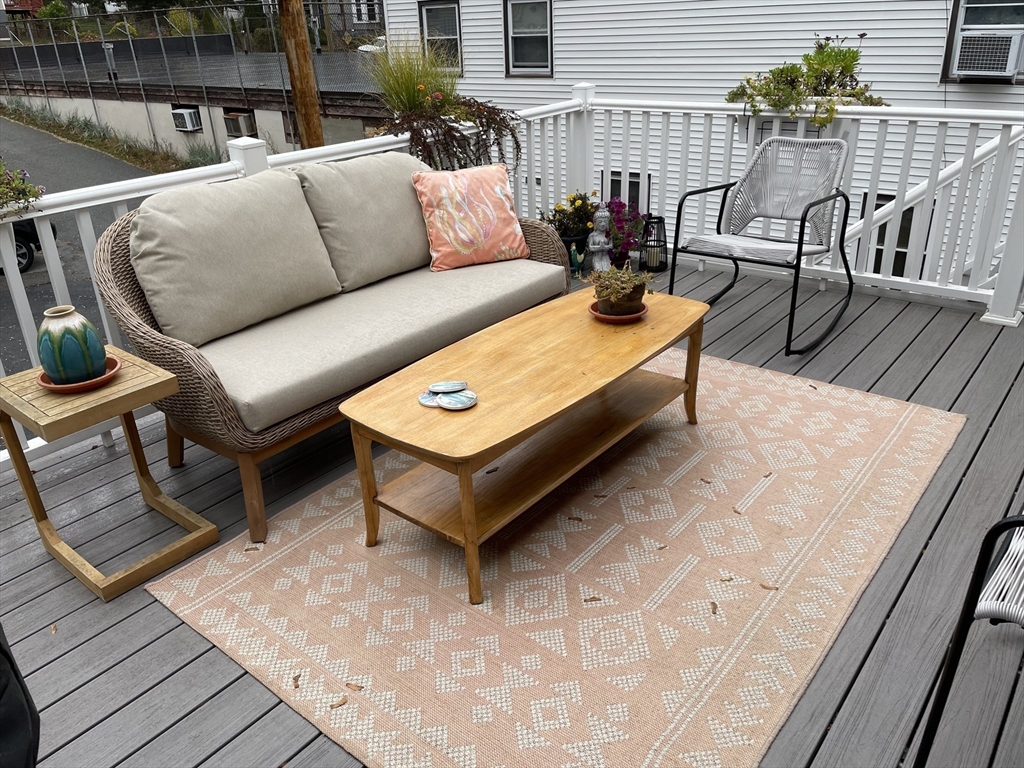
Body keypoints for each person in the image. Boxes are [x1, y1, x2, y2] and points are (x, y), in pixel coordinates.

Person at [587, 203, 612, 272]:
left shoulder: (608, 234)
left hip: (605, 257)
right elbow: (590, 247)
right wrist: (599, 248)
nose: (603, 224)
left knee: (607, 271)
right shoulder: (592, 235)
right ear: (595, 223)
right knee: (598, 271)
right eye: (600, 222)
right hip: (596, 257)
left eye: (605, 222)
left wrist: (605, 247)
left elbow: (611, 246)